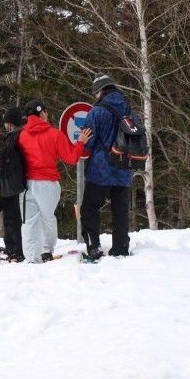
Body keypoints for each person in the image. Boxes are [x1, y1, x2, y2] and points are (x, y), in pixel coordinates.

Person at [17, 100, 92, 264]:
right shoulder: (54, 134)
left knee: (29, 223)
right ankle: (46, 251)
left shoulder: (21, 135)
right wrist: (81, 143)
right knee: (48, 218)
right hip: (48, 184)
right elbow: (71, 158)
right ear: (42, 113)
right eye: (46, 111)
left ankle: (31, 258)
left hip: (25, 185)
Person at [80, 74, 134, 260]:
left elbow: (87, 143)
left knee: (89, 207)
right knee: (120, 209)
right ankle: (121, 247)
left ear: (100, 91)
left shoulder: (96, 112)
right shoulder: (129, 109)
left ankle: (93, 245)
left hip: (101, 170)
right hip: (124, 168)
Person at [0, 107, 26, 262]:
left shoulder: (16, 138)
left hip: (11, 184)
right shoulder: (16, 136)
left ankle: (15, 250)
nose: (6, 125)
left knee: (12, 219)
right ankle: (12, 247)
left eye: (7, 122)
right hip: (12, 183)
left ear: (12, 122)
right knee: (12, 218)